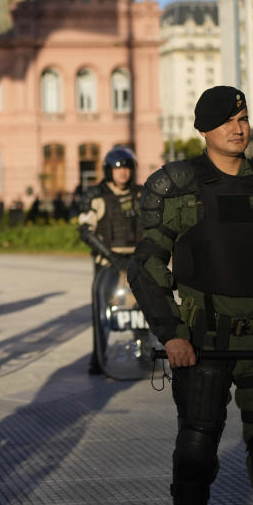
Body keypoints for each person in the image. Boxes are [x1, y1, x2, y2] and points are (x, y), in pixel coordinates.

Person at [127, 86, 253, 505]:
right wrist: (173, 335)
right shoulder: (176, 187)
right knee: (195, 457)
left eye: (243, 119)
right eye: (226, 121)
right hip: (206, 341)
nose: (238, 129)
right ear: (204, 129)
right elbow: (146, 267)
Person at [77, 146, 143, 375]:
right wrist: (112, 257)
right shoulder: (95, 195)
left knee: (141, 310)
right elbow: (86, 231)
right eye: (118, 169)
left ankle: (145, 354)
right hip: (107, 262)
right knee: (104, 310)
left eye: (126, 168)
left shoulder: (140, 194)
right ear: (108, 171)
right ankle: (99, 357)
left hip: (136, 261)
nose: (123, 173)